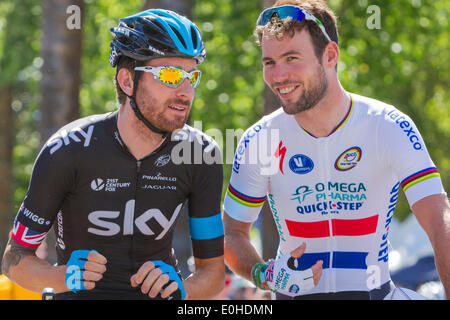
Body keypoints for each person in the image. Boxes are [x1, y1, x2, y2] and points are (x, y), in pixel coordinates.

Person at [223, 0, 450, 300]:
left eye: (292, 58)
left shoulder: (387, 125)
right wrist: (263, 274)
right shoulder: (261, 139)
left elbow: (439, 222)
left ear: (329, 55)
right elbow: (231, 235)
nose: (278, 76)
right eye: (269, 62)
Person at [1, 9, 225, 300]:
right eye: (170, 75)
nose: (185, 91)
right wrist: (63, 275)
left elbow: (213, 273)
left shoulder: (201, 154)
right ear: (127, 81)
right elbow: (14, 259)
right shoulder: (68, 149)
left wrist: (183, 289)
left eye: (191, 76)